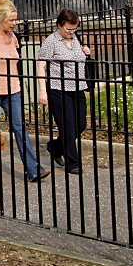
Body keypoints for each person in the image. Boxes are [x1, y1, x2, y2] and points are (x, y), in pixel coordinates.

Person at [0, 0, 50, 182]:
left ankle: (33, 169)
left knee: (20, 128)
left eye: (15, 20)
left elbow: (14, 64)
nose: (14, 24)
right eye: (11, 20)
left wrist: (16, 83)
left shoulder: (13, 37)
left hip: (12, 90)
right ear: (1, 18)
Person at [37, 9, 91, 175]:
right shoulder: (51, 41)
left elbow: (77, 56)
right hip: (59, 89)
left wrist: (85, 52)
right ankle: (72, 163)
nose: (72, 32)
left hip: (78, 87)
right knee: (67, 127)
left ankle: (55, 147)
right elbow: (41, 65)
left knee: (80, 124)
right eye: (69, 29)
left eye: (75, 28)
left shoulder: (75, 38)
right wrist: (42, 91)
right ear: (59, 25)